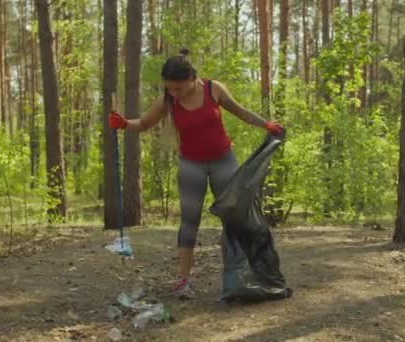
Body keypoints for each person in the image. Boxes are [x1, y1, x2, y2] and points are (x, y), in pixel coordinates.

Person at [108, 49, 284, 299]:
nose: (173, 93)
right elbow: (144, 123)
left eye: (178, 88)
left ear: (192, 79)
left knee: (235, 219)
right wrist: (124, 123)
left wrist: (265, 124)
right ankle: (183, 281)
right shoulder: (167, 101)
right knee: (190, 222)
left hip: (224, 160)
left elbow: (241, 111)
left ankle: (241, 277)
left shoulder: (214, 89)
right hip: (191, 165)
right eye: (169, 88)